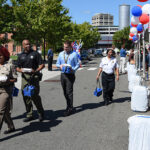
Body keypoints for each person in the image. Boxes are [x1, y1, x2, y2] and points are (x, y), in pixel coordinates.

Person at [16, 40, 45, 122]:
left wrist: (35, 71)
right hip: (25, 77)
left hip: (34, 76)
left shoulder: (35, 54)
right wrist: (21, 70)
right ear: (23, 45)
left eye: (29, 44)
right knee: (26, 96)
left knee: (35, 96)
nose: (28, 45)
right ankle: (29, 114)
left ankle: (41, 112)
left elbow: (42, 65)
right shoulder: (20, 55)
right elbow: (17, 67)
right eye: (26, 44)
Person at [56, 41, 80, 116]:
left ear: (70, 47)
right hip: (63, 74)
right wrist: (59, 66)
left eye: (66, 47)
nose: (65, 48)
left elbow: (78, 64)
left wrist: (73, 69)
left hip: (70, 75)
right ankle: (68, 105)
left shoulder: (74, 54)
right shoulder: (60, 54)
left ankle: (70, 108)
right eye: (64, 47)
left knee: (69, 92)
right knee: (65, 92)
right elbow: (57, 63)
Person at [0, 46, 17, 134]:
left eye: (0, 55)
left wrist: (7, 79)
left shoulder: (10, 65)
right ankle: (11, 126)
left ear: (4, 55)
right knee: (6, 111)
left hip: (5, 90)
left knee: (1, 111)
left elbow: (15, 79)